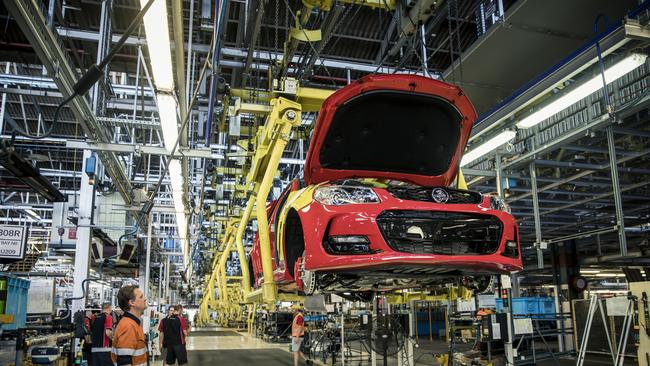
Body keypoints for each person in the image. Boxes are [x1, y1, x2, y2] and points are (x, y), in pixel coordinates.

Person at [111, 285, 148, 366]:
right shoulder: (128, 326)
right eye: (141, 297)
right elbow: (124, 362)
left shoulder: (133, 323)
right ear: (132, 302)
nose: (145, 298)